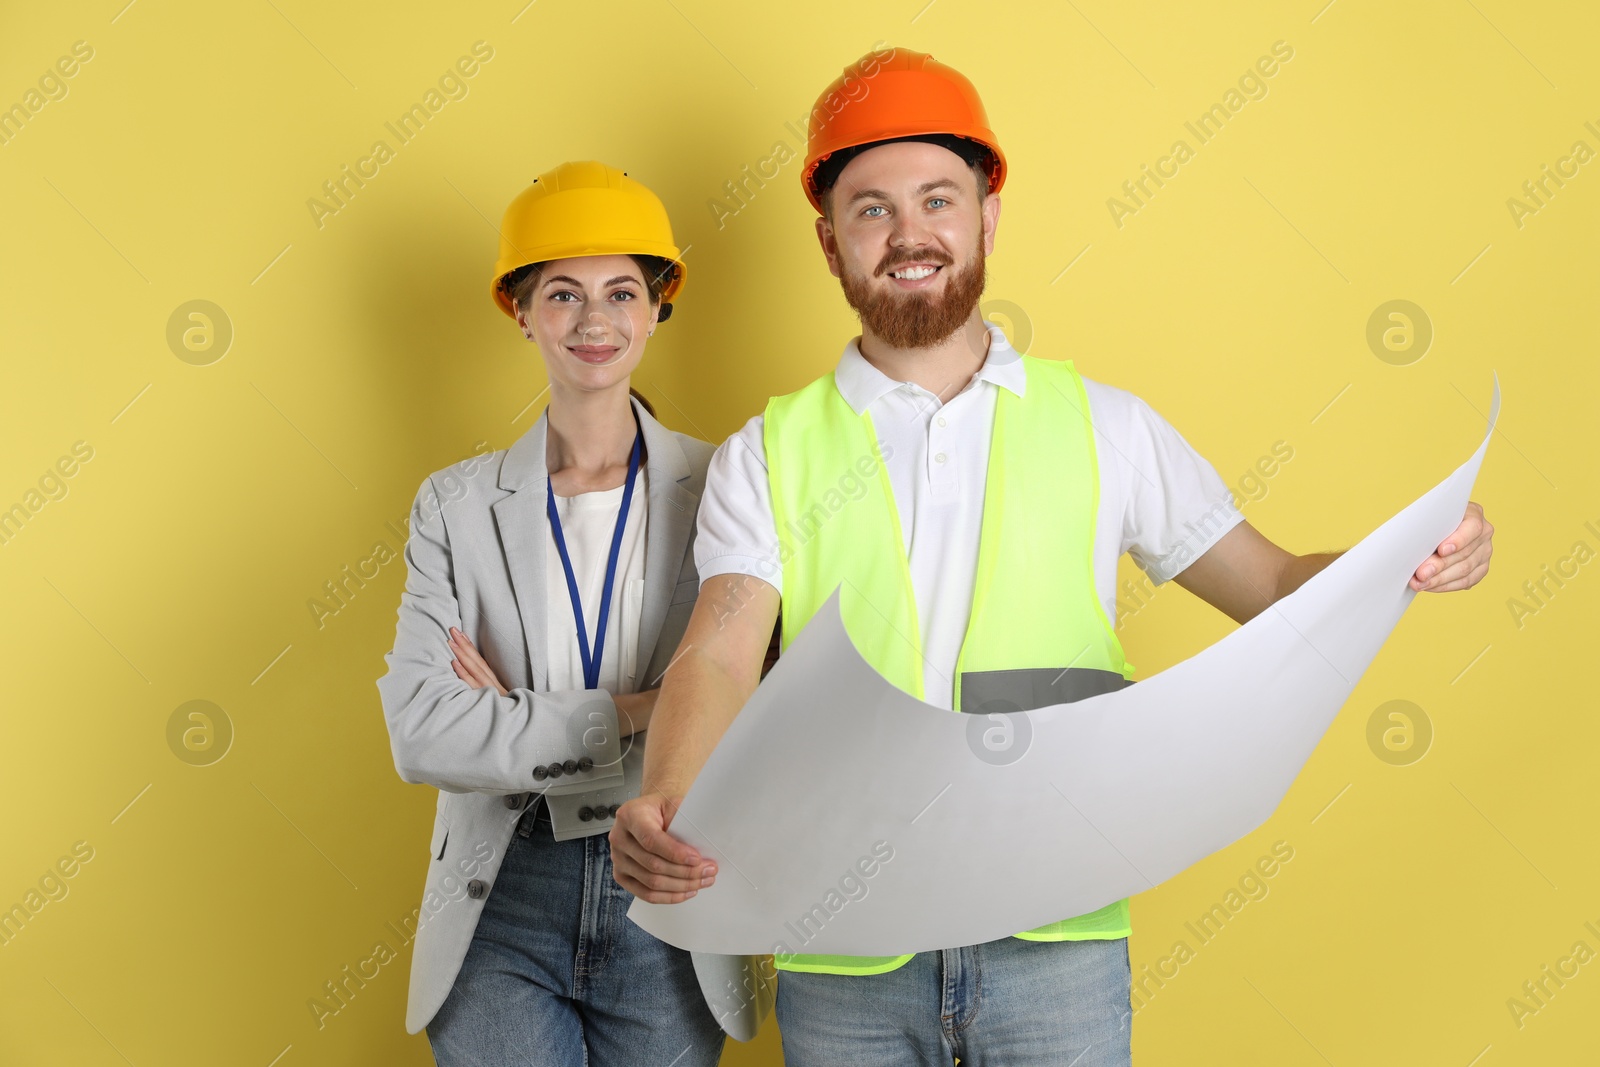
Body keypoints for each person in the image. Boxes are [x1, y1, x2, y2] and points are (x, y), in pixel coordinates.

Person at [609, 48, 1497, 1067]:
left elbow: (1275, 586)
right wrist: (668, 795)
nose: (909, 235)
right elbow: (719, 651)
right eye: (871, 209)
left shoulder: (1107, 427)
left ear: (986, 217)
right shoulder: (769, 450)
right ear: (827, 243)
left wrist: (1410, 552)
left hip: (1057, 938)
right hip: (846, 939)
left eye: (938, 198)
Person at [376, 161, 725, 1066]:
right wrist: (645, 708)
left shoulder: (731, 485)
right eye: (562, 293)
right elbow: (423, 733)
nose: (595, 320)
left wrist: (508, 715)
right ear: (521, 311)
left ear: (657, 308)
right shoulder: (452, 506)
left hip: (668, 877)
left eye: (621, 292)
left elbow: (759, 692)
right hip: (503, 887)